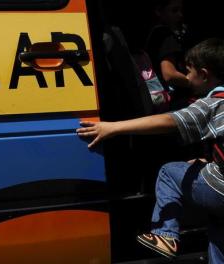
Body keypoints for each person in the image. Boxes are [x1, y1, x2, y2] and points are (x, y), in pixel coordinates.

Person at [77, 38, 224, 262]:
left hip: (220, 190)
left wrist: (113, 127)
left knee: (169, 172)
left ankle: (166, 235)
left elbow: (170, 121)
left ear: (204, 74)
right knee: (218, 229)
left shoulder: (214, 103)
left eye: (189, 71)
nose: (186, 77)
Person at [145, 0, 195, 109]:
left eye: (181, 10)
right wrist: (195, 82)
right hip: (174, 99)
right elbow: (169, 74)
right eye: (174, 10)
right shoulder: (165, 35)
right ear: (159, 12)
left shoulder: (153, 34)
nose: (180, 15)